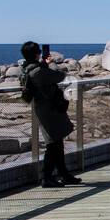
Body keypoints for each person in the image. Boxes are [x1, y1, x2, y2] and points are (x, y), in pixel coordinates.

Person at [19, 41, 81, 187]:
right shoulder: (37, 71)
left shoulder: (27, 69)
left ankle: (64, 174)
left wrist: (43, 63)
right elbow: (59, 75)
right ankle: (46, 177)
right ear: (36, 54)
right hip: (48, 110)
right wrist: (51, 63)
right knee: (53, 144)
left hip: (46, 109)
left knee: (57, 142)